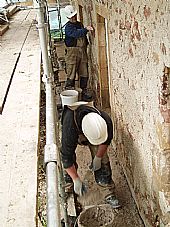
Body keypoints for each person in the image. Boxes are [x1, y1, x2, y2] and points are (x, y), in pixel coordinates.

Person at [61, 101, 121, 208]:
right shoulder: (69, 128)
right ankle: (69, 183)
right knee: (69, 157)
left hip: (90, 129)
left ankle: (107, 190)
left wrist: (98, 157)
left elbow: (106, 142)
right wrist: (76, 179)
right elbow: (66, 158)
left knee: (103, 159)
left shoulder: (105, 121)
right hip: (75, 127)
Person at [64, 5, 93, 94]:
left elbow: (83, 37)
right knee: (71, 71)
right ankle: (70, 91)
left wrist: (87, 44)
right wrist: (86, 29)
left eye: (74, 15)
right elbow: (76, 33)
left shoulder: (79, 24)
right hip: (72, 52)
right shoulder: (68, 27)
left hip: (82, 51)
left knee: (84, 71)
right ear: (68, 17)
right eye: (72, 16)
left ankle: (83, 91)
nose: (74, 18)